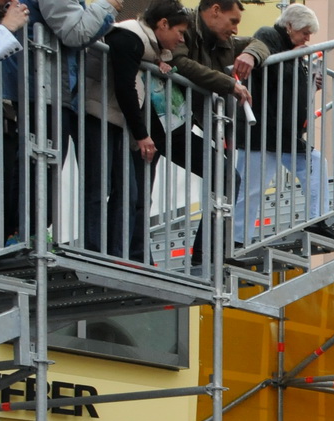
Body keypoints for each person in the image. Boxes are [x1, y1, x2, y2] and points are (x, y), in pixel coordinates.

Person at [80, 0, 187, 260]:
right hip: (99, 114)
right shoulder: (130, 36)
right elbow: (125, 88)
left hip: (113, 118)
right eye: (180, 32)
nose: (181, 39)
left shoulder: (143, 43)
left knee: (126, 191)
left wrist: (161, 61)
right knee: (100, 186)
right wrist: (142, 135)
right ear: (163, 24)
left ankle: (118, 254)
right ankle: (95, 251)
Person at [165, 0, 269, 265]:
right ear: (214, 11)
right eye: (232, 21)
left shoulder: (222, 41)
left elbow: (262, 40)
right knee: (139, 188)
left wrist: (251, 55)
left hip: (180, 123)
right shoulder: (183, 25)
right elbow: (179, 62)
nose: (235, 29)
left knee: (226, 176)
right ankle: (131, 254)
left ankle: (207, 253)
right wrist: (229, 84)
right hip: (158, 118)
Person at [234, 3, 324, 244]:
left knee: (315, 163)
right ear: (289, 25)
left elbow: (289, 86)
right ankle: (236, 241)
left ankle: (317, 220)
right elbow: (262, 54)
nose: (307, 37)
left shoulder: (292, 51)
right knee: (249, 190)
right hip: (262, 130)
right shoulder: (269, 35)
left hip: (281, 133)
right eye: (305, 31)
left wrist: (310, 84)